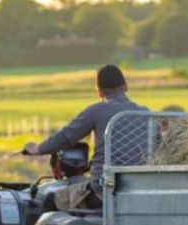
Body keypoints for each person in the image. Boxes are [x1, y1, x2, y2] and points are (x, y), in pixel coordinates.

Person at [24, 64, 147, 206]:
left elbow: (65, 137)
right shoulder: (148, 114)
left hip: (103, 191)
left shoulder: (97, 111)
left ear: (99, 92)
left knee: (50, 200)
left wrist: (37, 149)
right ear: (126, 87)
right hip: (139, 191)